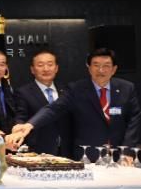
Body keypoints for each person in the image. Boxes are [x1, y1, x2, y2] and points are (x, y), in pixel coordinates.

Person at [11, 48, 141, 163]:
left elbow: (134, 120)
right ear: (89, 68)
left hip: (121, 156)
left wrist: (128, 151)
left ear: (114, 69)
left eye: (106, 66)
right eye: (96, 65)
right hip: (87, 156)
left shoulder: (127, 88)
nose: (101, 70)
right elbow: (54, 108)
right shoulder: (76, 89)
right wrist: (30, 125)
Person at [13, 50, 72, 156]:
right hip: (39, 151)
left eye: (50, 64)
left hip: (66, 151)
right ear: (32, 69)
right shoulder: (23, 92)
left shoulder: (66, 90)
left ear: (56, 68)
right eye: (40, 65)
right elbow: (20, 116)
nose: (46, 69)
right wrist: (19, 128)